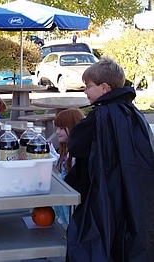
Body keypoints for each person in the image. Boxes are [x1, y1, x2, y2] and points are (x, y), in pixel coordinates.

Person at [65, 56, 154, 261]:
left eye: (88, 86)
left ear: (104, 88)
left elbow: (76, 145)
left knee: (102, 236)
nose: (85, 91)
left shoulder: (101, 116)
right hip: (134, 191)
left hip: (104, 190)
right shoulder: (134, 113)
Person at [49, 108, 85, 229]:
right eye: (56, 128)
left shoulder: (78, 154)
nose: (57, 132)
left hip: (71, 205)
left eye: (61, 128)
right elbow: (62, 163)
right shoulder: (70, 150)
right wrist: (51, 152)